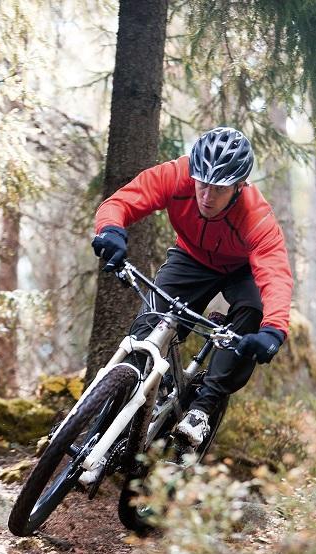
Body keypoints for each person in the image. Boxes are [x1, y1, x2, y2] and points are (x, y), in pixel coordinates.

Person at [91, 126, 293, 448]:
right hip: (191, 257)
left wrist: (274, 330)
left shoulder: (256, 216)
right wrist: (111, 229)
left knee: (252, 311)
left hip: (241, 269)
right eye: (202, 184)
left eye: (219, 189)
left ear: (239, 186)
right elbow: (124, 200)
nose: (206, 196)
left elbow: (275, 274)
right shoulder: (177, 175)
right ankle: (104, 425)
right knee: (147, 329)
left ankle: (202, 408)